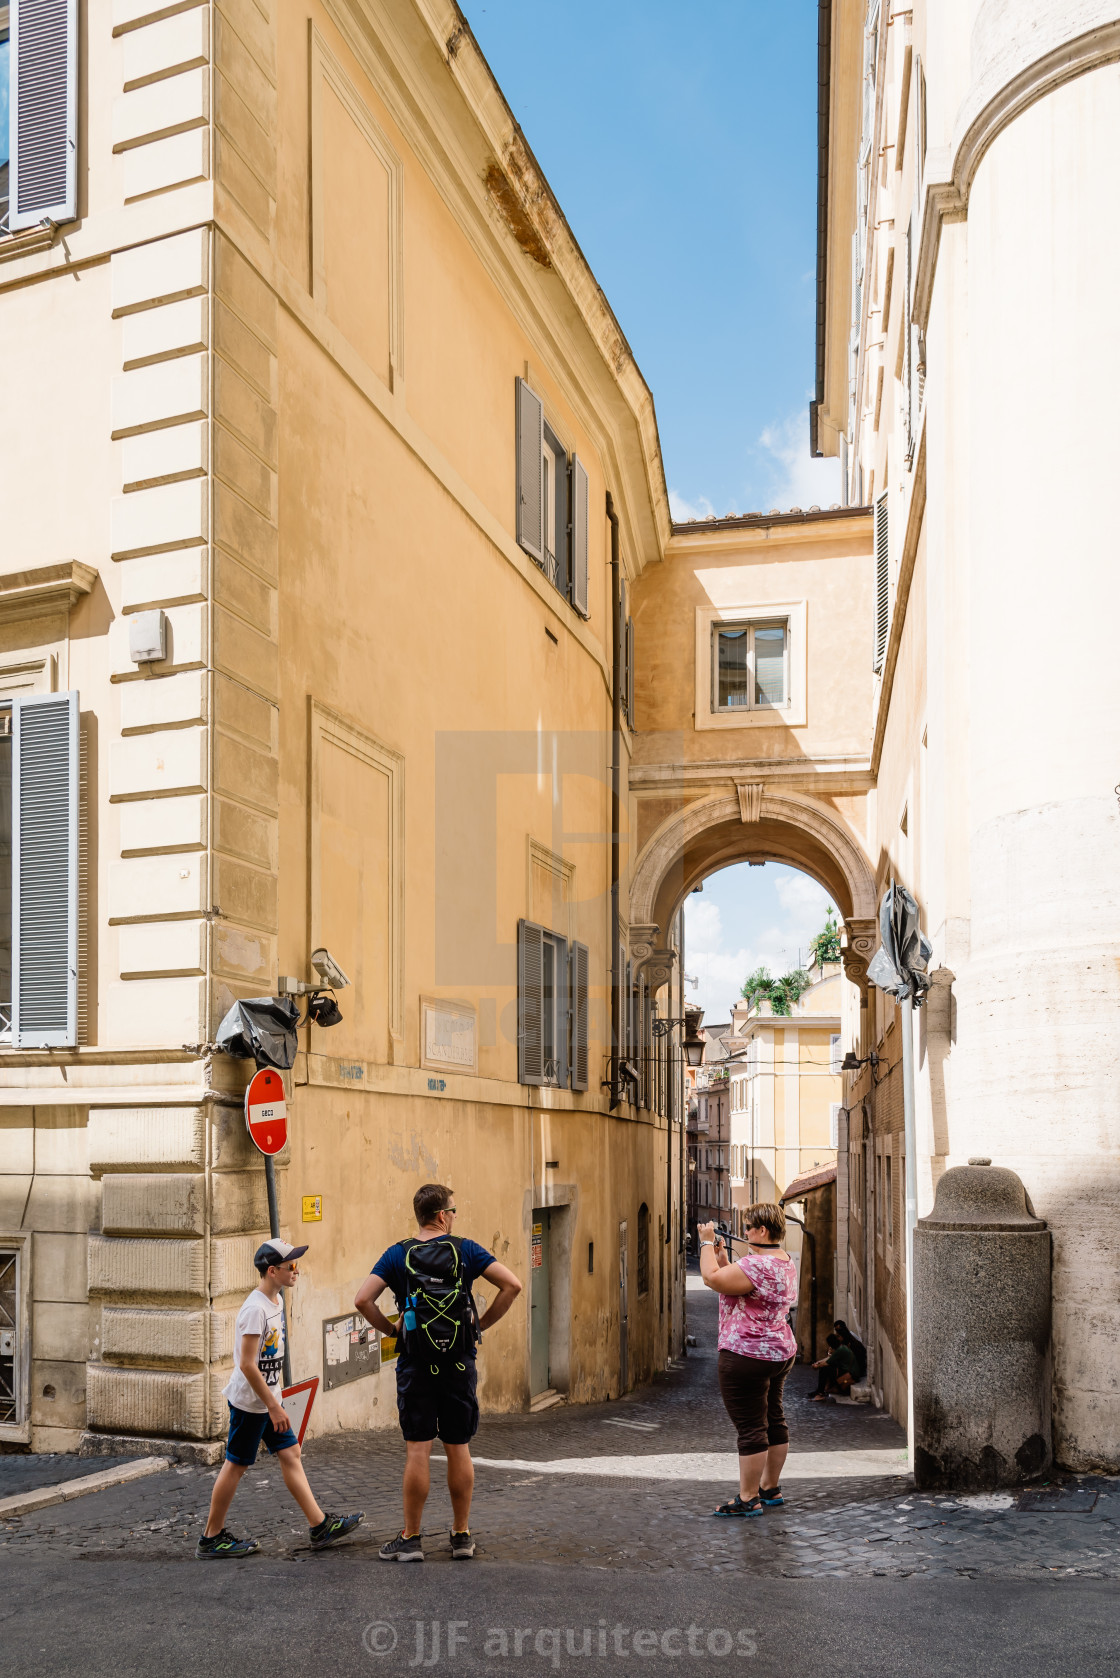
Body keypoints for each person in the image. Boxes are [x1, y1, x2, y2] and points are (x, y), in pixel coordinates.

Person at [355, 1183, 522, 1561]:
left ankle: (411, 1538)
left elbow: (362, 1299)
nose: (455, 1217)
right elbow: (512, 1285)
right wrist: (480, 1325)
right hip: (459, 1363)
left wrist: (391, 1329)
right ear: (443, 1215)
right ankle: (461, 1536)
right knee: (457, 1446)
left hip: (416, 1362)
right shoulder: (466, 1250)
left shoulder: (397, 1255)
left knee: (418, 1449)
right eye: (454, 1211)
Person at [197, 1239, 364, 1558]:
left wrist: (275, 1401)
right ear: (272, 1271)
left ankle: (320, 1526)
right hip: (251, 1404)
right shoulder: (254, 1309)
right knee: (235, 1465)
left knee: (291, 1453)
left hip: (268, 1402)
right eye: (291, 1267)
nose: (296, 1271)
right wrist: (273, 1406)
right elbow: (247, 1364)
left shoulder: (274, 1303)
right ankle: (211, 1537)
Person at [698, 1204, 799, 1518]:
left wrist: (704, 1242)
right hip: (780, 1351)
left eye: (747, 1228)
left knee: (751, 1428)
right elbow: (743, 1285)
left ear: (763, 1231)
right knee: (774, 1418)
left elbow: (711, 1279)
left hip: (746, 1353)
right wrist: (726, 1260)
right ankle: (770, 1488)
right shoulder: (784, 1261)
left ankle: (748, 1497)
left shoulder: (757, 1264)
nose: (744, 1233)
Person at [811, 1331, 857, 1400]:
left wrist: (816, 1366)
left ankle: (820, 1393)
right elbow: (829, 1358)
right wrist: (818, 1363)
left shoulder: (840, 1350)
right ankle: (820, 1390)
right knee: (827, 1368)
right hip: (849, 1372)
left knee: (824, 1369)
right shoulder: (842, 1348)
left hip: (849, 1375)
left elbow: (827, 1362)